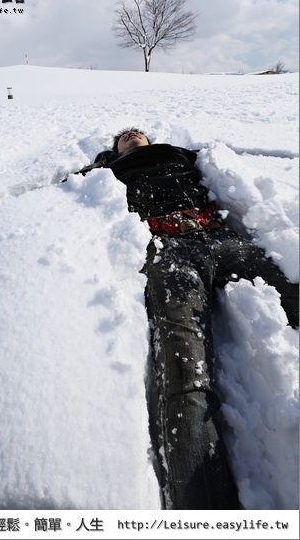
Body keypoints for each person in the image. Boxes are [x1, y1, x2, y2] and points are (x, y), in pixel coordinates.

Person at [74, 127, 299, 511]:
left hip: (218, 234)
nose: (132, 135)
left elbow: (220, 161)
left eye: (138, 132)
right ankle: (204, 512)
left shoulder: (177, 152)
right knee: (185, 370)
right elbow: (73, 193)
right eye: (124, 136)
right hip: (169, 249)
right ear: (114, 148)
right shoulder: (107, 167)